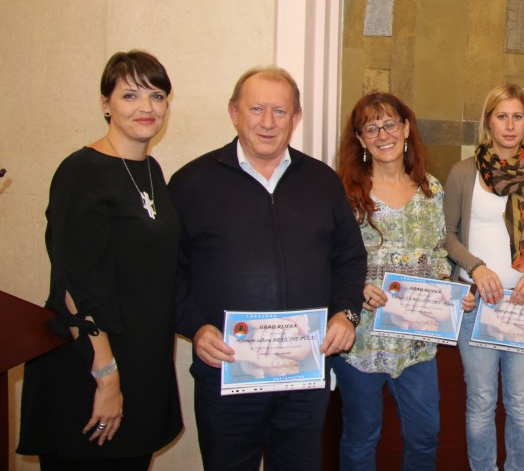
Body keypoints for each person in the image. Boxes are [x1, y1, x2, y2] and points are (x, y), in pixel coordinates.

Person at [170, 67, 367, 470]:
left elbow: (350, 257)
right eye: (256, 109)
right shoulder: (192, 182)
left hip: (303, 378)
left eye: (280, 111)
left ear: (296, 118)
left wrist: (346, 314)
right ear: (234, 113)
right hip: (227, 370)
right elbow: (169, 273)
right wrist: (195, 327)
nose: (267, 122)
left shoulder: (322, 181)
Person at [18, 51, 182, 470]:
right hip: (91, 367)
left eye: (157, 96)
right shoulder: (81, 171)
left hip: (142, 362)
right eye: (130, 95)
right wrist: (106, 375)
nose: (146, 107)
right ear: (105, 104)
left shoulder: (151, 170)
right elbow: (74, 284)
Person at [333, 92, 475, 470]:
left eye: (390, 124)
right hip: (361, 339)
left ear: (406, 128)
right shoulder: (344, 194)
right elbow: (329, 259)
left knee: (425, 435)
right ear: (360, 139)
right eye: (371, 128)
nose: (383, 135)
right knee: (362, 437)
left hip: (416, 340)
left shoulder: (431, 190)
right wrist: (355, 289)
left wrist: (451, 293)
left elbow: (439, 255)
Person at [444, 83, 524, 471]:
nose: (510, 126)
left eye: (517, 117)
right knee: (481, 401)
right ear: (488, 122)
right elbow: (447, 235)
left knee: (521, 403)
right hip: (477, 303)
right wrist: (475, 267)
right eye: (501, 116)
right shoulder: (464, 172)